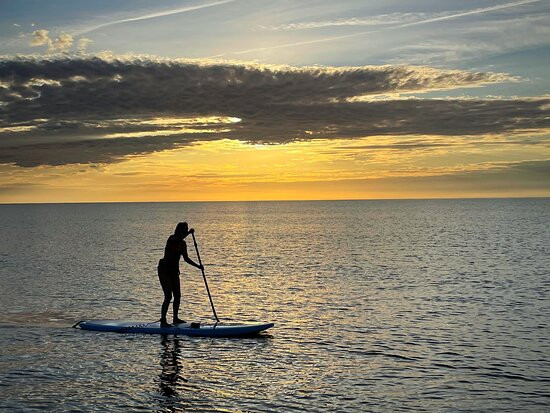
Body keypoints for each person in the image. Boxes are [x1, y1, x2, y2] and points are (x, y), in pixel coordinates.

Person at [158, 222, 203, 327]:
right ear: (179, 230)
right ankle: (163, 321)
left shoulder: (183, 244)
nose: (186, 231)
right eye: (184, 229)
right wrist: (188, 233)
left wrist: (198, 266)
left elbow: (186, 259)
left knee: (177, 296)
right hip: (164, 270)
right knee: (168, 296)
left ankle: (175, 318)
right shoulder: (172, 239)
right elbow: (177, 239)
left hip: (174, 271)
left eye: (186, 229)